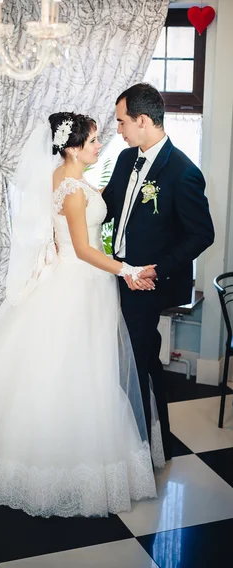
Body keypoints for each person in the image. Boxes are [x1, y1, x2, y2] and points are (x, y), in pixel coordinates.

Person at [0, 112, 164, 519]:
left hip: (81, 282)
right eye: (93, 141)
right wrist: (127, 270)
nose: (99, 145)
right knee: (77, 368)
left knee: (74, 365)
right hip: (80, 283)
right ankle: (59, 463)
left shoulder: (63, 176)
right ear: (73, 147)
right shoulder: (73, 188)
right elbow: (82, 249)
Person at [102, 83, 215, 461]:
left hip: (148, 284)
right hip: (118, 276)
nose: (119, 130)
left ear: (143, 120)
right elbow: (106, 207)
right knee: (140, 359)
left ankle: (137, 453)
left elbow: (202, 233)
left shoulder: (183, 172)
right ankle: (150, 445)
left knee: (135, 361)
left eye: (122, 123)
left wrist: (157, 270)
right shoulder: (124, 160)